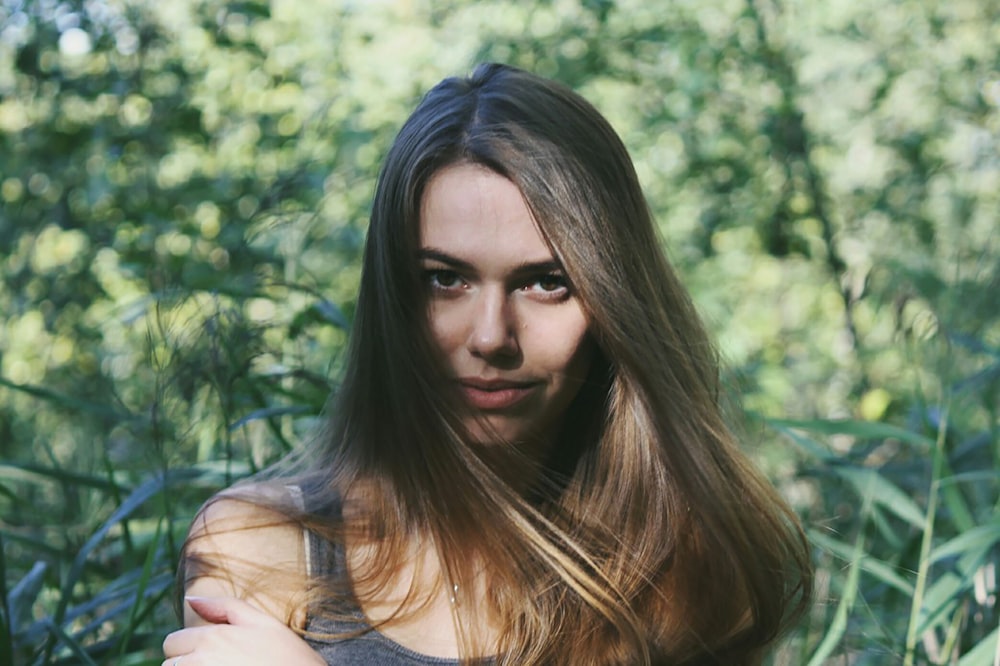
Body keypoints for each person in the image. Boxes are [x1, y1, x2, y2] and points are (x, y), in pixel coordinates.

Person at [162, 62, 812, 666]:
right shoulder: (264, 545)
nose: (491, 337)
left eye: (546, 283)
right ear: (393, 297)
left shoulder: (683, 564)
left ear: (613, 302)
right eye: (446, 279)